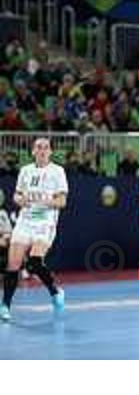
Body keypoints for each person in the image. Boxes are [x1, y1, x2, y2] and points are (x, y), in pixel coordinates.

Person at [0, 138, 68, 322]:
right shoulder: (25, 171)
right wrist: (19, 200)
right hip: (25, 221)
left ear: (51, 152)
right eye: (39, 147)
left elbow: (62, 202)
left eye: (46, 147)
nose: (42, 150)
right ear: (33, 151)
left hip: (45, 222)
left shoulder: (57, 171)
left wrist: (45, 202)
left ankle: (54, 291)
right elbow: (17, 195)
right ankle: (5, 306)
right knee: (12, 264)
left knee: (34, 263)